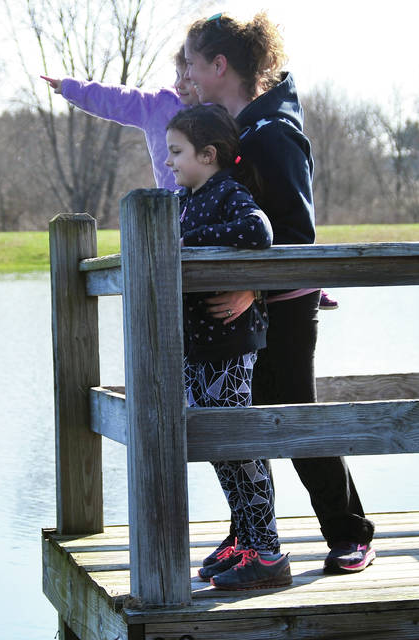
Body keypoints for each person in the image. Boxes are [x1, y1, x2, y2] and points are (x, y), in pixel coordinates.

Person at [184, 11, 376, 574]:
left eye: (196, 64)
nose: (190, 75)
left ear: (220, 65)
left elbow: (297, 235)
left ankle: (350, 530)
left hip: (285, 305)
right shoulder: (237, 128)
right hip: (246, 309)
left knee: (291, 419)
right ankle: (247, 536)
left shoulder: (276, 134)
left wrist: (253, 286)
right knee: (241, 425)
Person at [166, 103, 292, 590]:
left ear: (209, 154)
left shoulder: (226, 193)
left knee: (240, 445)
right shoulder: (182, 200)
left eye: (177, 151)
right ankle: (244, 537)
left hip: (230, 341)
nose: (170, 160)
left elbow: (259, 230)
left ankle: (267, 553)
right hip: (196, 344)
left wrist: (187, 241)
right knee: (220, 446)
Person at [40, 46, 199, 191]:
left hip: (211, 204)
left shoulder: (220, 110)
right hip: (170, 205)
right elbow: (116, 99)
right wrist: (71, 88)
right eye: (177, 75)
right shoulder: (157, 104)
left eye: (188, 78)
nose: (179, 84)